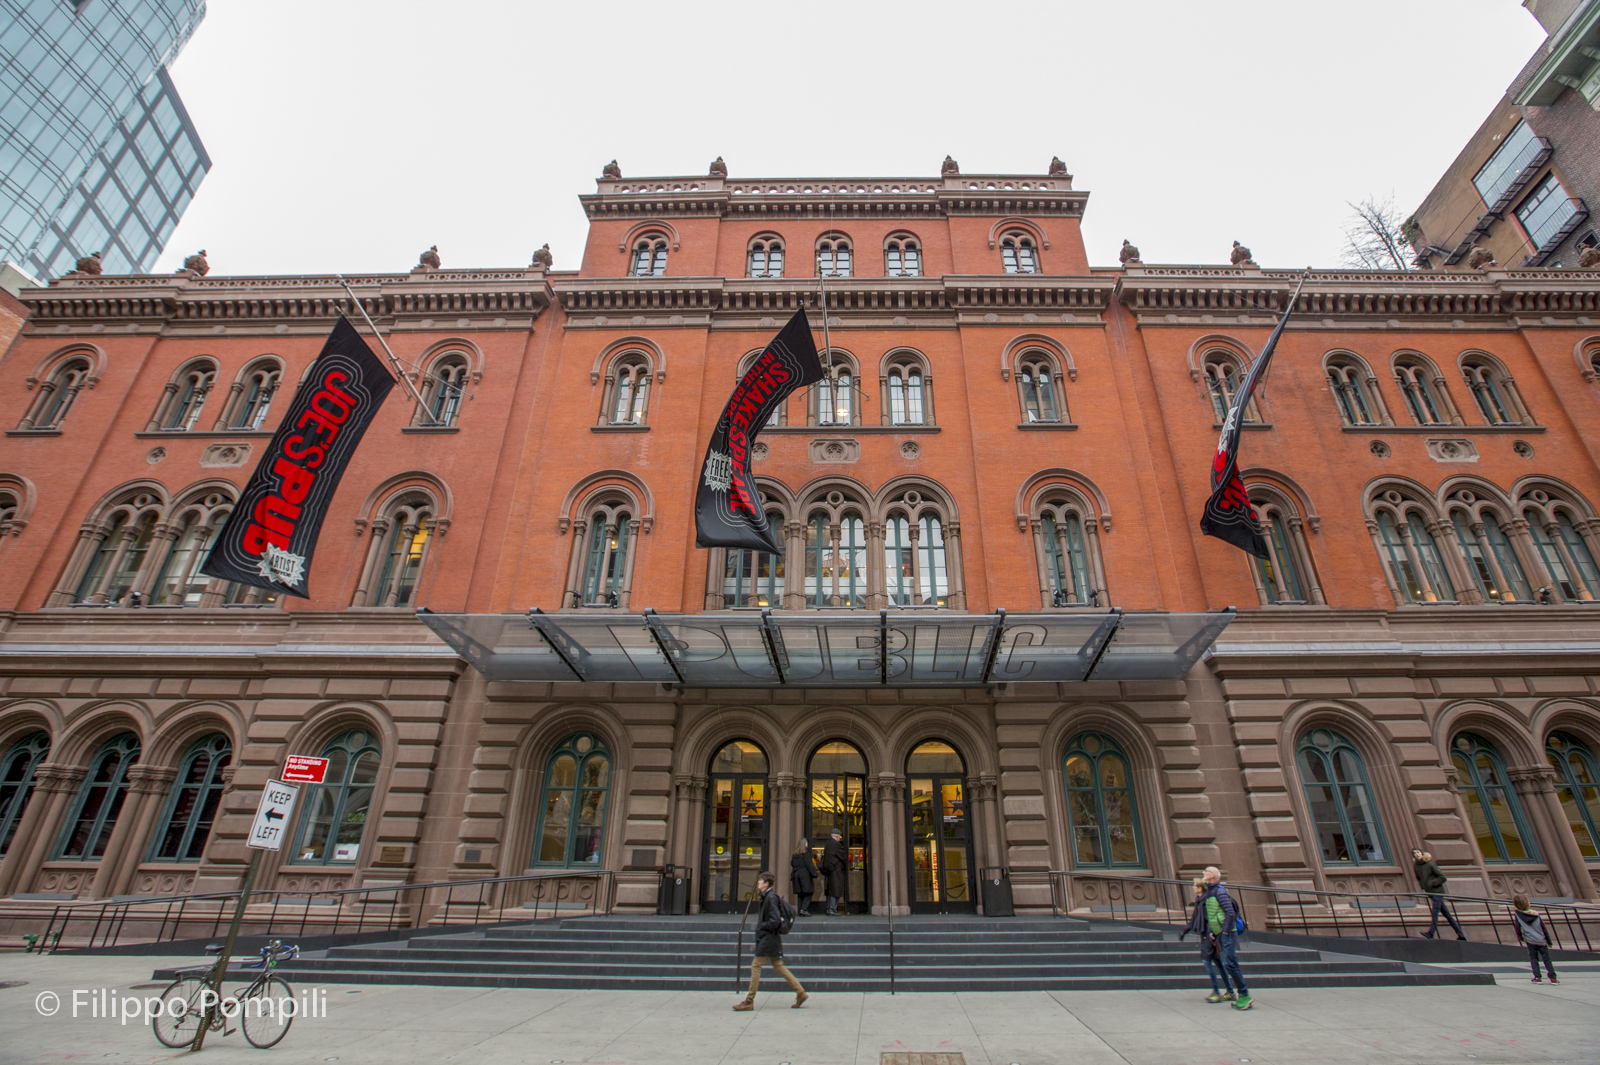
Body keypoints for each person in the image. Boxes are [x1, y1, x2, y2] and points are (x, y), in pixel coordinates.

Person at [733, 871, 808, 1011]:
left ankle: (749, 1000)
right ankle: (800, 992)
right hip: (771, 938)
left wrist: (762, 926)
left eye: (760, 881)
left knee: (756, 965)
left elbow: (774, 920)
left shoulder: (770, 897)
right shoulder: (767, 897)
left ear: (766, 883)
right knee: (779, 967)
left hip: (768, 938)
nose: (758, 883)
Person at [1203, 866, 1252, 1010]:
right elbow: (1213, 914)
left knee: (1230, 963)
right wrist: (1213, 931)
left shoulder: (1220, 891)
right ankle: (1241, 994)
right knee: (1230, 962)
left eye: (1206, 872)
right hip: (1221, 933)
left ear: (1212, 875)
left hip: (1228, 933)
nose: (1203, 874)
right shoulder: (1211, 891)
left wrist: (1224, 932)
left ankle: (1244, 995)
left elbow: (1229, 913)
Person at [1179, 875, 1234, 1002]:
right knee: (1218, 963)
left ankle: (1216, 991)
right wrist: (1185, 931)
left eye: (1194, 886)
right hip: (1208, 934)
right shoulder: (1200, 900)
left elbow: (1210, 917)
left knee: (1206, 960)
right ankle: (1229, 991)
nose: (1193, 888)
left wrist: (1211, 933)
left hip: (1208, 935)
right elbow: (1194, 919)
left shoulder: (1205, 900)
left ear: (1200, 888)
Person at [1412, 848, 1466, 940]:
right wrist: (1423, 887)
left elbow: (1442, 877)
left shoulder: (1430, 864)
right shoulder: (1416, 867)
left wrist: (1433, 883)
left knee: (1435, 911)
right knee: (1447, 914)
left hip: (1438, 892)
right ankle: (1461, 935)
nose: (1416, 854)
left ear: (1422, 853)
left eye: (1418, 852)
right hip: (1430, 892)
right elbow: (1419, 878)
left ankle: (1431, 933)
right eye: (1414, 853)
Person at [1513, 894, 1559, 984]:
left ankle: (1537, 977)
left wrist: (1521, 937)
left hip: (1530, 940)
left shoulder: (1518, 915)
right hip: (1541, 940)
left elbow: (1517, 928)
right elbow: (1543, 928)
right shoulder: (1536, 914)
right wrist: (1548, 941)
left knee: (1534, 959)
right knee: (1547, 959)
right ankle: (1553, 978)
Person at [819, 829, 848, 916]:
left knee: (831, 890)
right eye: (839, 837)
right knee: (835, 890)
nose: (840, 839)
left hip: (829, 871)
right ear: (836, 836)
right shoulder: (836, 844)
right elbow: (843, 856)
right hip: (835, 871)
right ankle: (832, 908)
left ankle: (829, 908)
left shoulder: (828, 843)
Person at [790, 838, 820, 916]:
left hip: (796, 875)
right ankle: (803, 909)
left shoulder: (795, 854)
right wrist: (815, 874)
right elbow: (809, 864)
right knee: (809, 892)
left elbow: (792, 864)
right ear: (804, 844)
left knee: (800, 894)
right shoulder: (806, 853)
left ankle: (800, 910)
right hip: (804, 875)